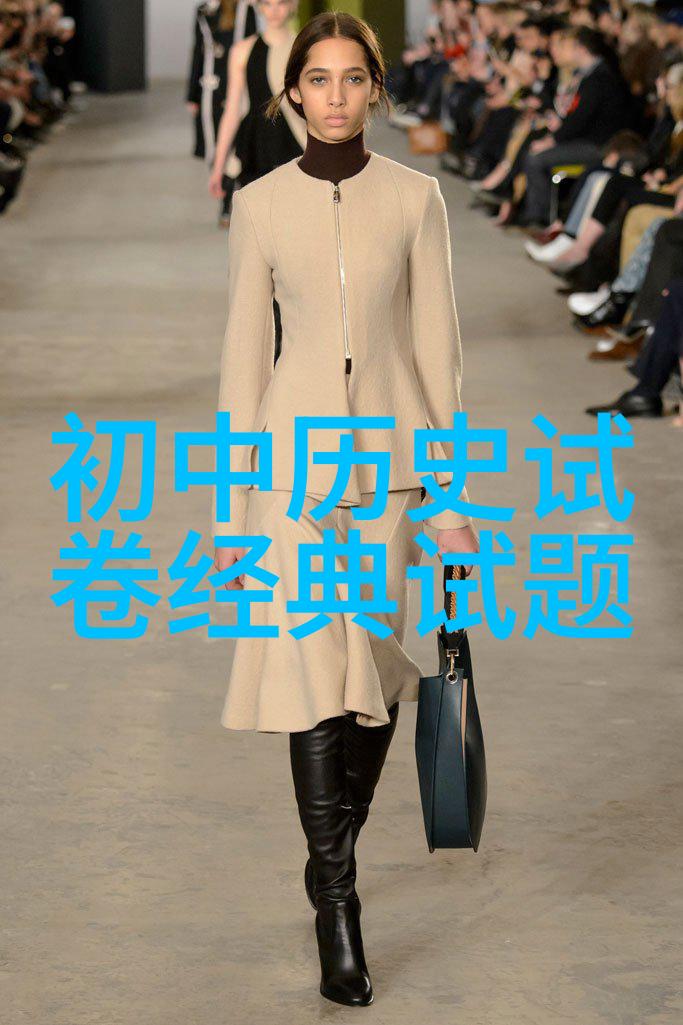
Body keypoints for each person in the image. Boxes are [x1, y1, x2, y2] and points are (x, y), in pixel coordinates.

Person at [211, 10, 479, 1007]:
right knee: (312, 675)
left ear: (374, 87)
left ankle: (327, 859)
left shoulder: (415, 198)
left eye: (350, 78)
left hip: (391, 470)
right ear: (292, 94)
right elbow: (242, 362)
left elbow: (438, 353)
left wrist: (448, 493)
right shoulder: (260, 205)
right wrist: (230, 511)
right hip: (290, 470)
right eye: (316, 79)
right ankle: (338, 901)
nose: (333, 95)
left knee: (368, 672)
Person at [208, 0, 305, 225]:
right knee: (258, 222)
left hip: (294, 142)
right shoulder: (242, 51)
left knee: (292, 219)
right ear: (259, 7)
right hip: (255, 145)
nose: (274, 10)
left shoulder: (304, 50)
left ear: (293, 5)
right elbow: (232, 109)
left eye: (281, 3)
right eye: (267, 4)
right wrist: (218, 166)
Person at [186, 0, 257, 164]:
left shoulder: (245, 10)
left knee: (237, 146)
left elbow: (252, 51)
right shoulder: (203, 11)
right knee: (213, 144)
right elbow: (198, 52)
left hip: (237, 87)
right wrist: (192, 95)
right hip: (209, 91)